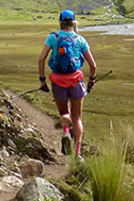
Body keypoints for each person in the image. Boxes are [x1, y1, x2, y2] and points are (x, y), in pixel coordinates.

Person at [37, 9, 98, 159]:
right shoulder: (80, 40)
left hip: (58, 81)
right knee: (77, 118)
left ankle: (65, 131)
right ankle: (77, 153)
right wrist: (91, 81)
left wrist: (42, 80)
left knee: (64, 113)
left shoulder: (53, 38)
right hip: (76, 81)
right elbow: (93, 65)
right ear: (73, 22)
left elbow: (41, 59)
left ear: (60, 22)